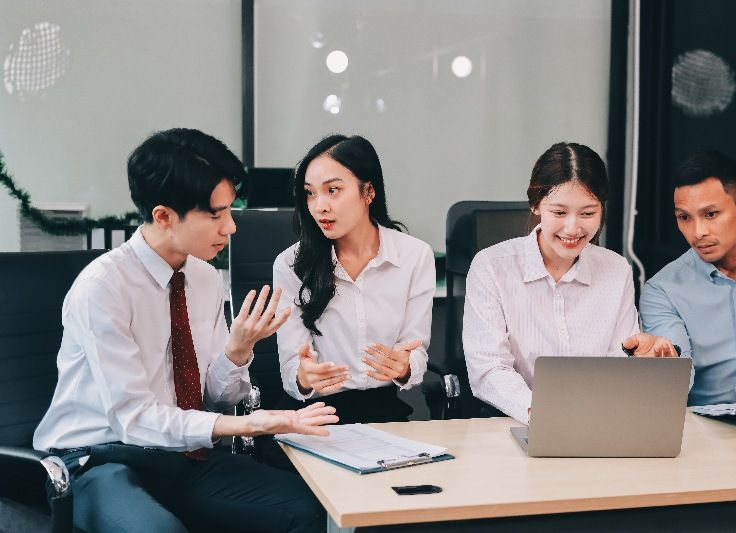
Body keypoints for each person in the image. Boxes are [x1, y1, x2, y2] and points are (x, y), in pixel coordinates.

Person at [33, 128, 338, 533]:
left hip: (182, 455)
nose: (230, 228)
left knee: (313, 508)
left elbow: (216, 396)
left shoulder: (204, 278)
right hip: (101, 459)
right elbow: (134, 418)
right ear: (163, 216)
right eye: (216, 214)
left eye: (230, 210)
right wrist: (251, 424)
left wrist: (237, 350)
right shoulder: (103, 288)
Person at [463, 142, 677, 424]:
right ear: (535, 204)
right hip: (516, 421)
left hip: (598, 423)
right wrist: (544, 414)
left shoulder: (616, 270)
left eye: (588, 213)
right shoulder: (491, 266)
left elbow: (618, 361)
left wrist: (641, 363)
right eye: (560, 213)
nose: (573, 228)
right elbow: (488, 369)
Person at [273, 134, 435, 424]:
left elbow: (416, 352)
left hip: (385, 411)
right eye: (310, 193)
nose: (319, 205)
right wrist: (304, 377)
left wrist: (404, 367)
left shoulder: (414, 256)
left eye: (332, 190)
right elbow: (291, 369)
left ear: (368, 192)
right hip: (315, 415)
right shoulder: (291, 263)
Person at [640, 150, 736, 417]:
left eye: (711, 214)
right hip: (704, 436)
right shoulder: (662, 290)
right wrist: (662, 362)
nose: (698, 232)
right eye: (684, 217)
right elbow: (675, 374)